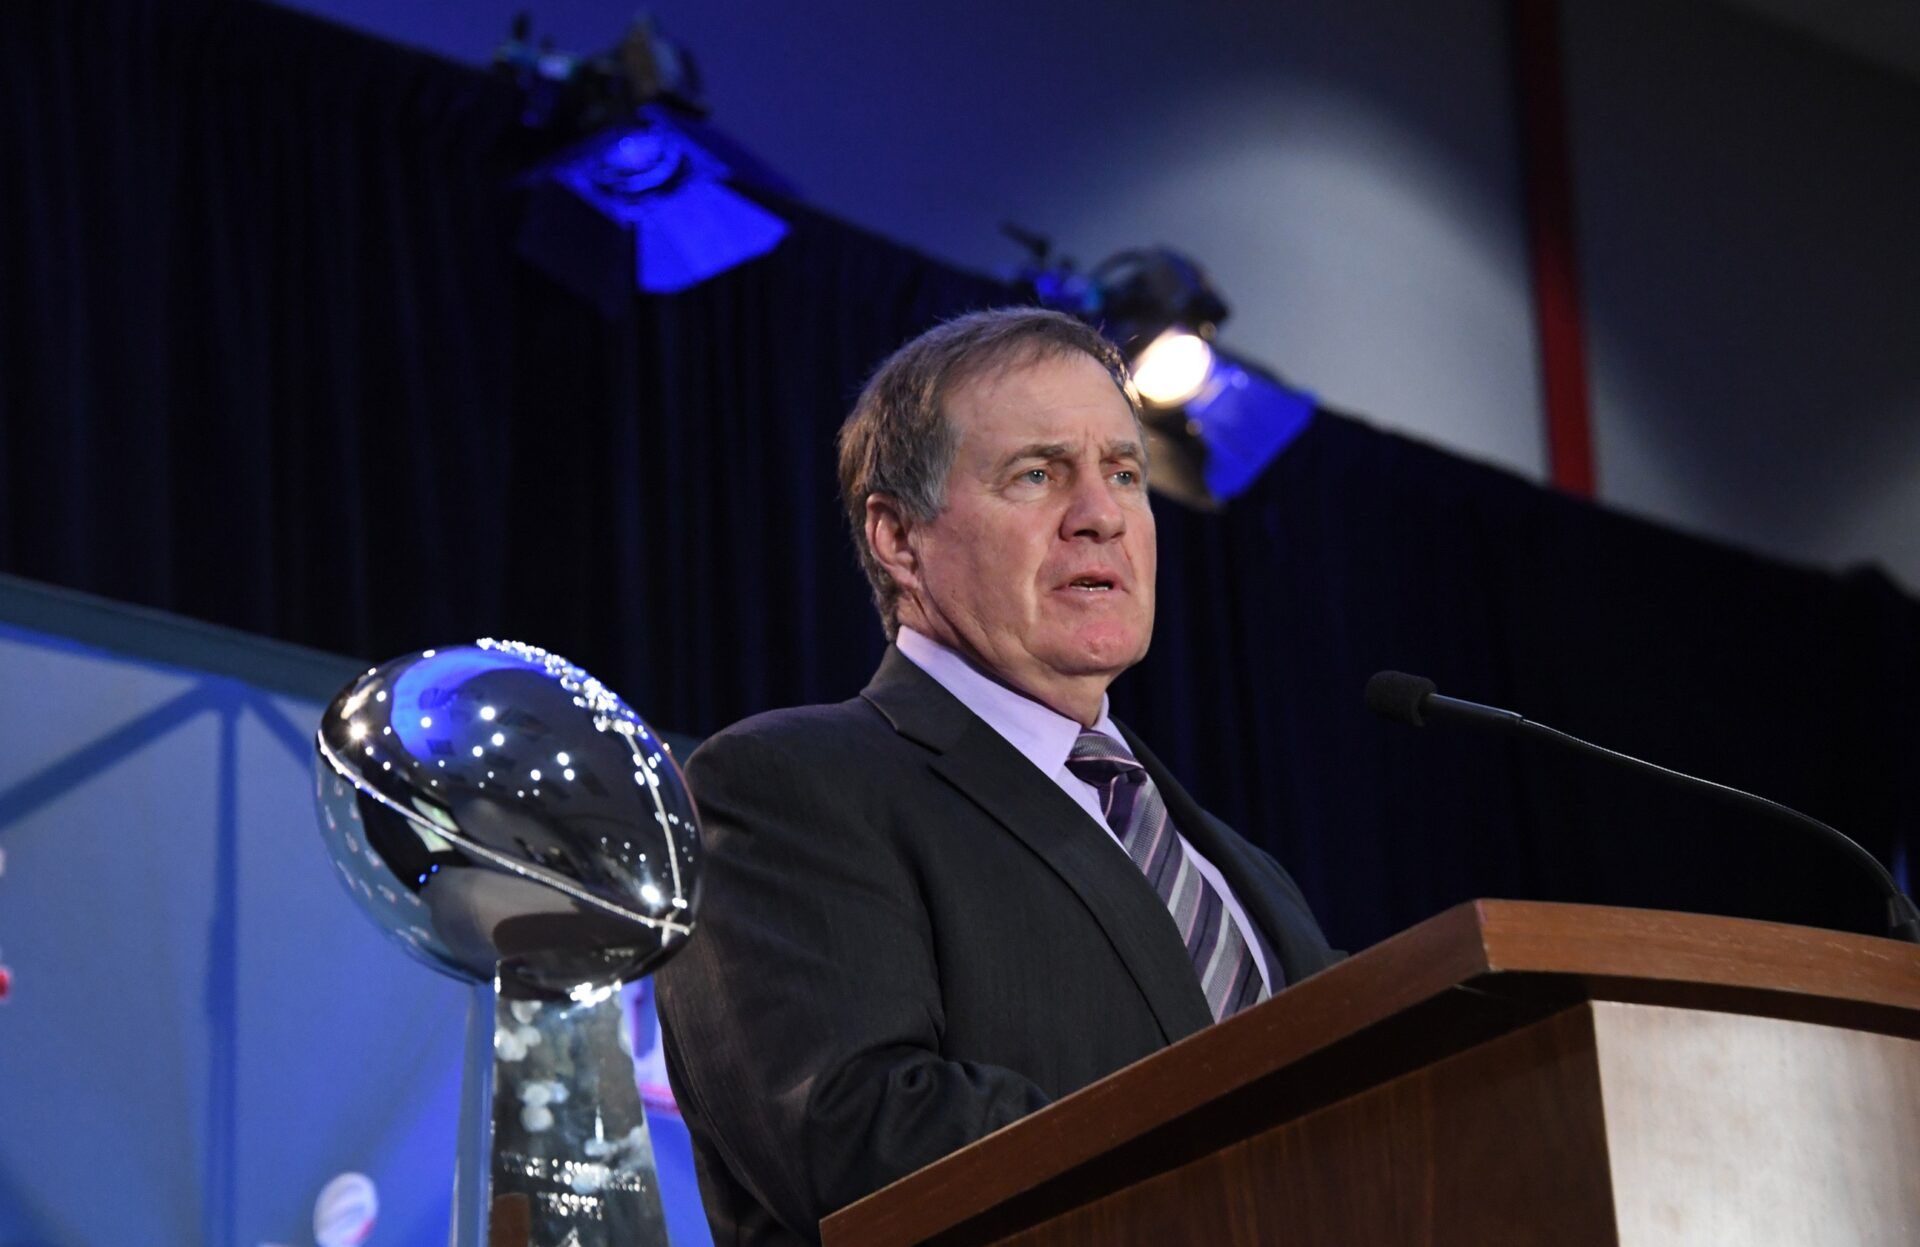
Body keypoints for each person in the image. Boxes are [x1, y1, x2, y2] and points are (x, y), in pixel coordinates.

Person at [655, 308, 1338, 1245]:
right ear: (899, 539)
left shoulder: (1247, 873)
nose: (1101, 514)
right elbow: (860, 1135)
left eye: (1125, 474)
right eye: (1037, 474)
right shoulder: (786, 786)